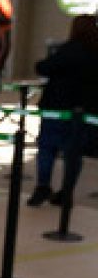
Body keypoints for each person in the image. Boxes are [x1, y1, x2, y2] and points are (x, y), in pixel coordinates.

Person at [28, 14, 98, 206]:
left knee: (47, 148)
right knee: (74, 154)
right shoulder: (95, 53)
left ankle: (43, 187)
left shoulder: (68, 50)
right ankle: (67, 192)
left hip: (56, 109)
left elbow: (43, 68)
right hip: (84, 113)